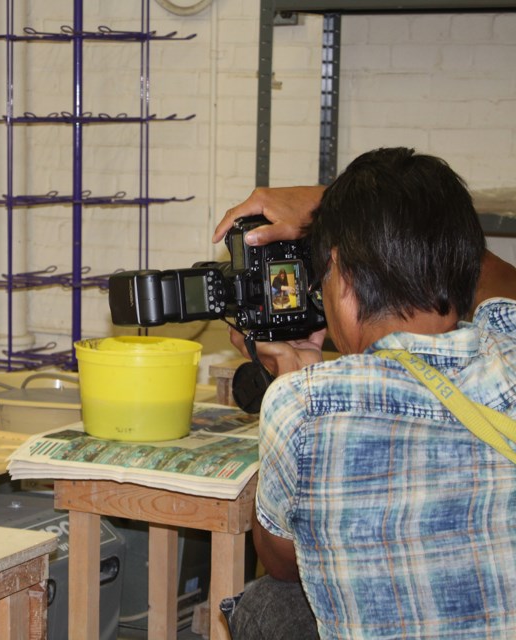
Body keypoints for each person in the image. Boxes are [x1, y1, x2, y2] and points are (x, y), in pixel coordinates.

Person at [213, 148, 516, 639]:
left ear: (344, 279)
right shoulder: (509, 343)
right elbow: (501, 279)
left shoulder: (303, 405)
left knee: (263, 602)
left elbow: (282, 563)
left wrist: (294, 382)